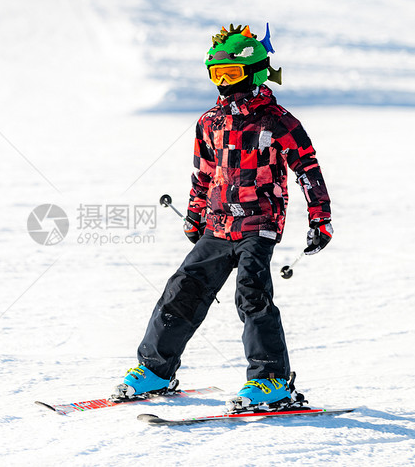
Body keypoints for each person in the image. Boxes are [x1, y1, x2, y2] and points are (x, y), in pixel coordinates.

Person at [113, 24, 333, 410]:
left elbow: (308, 169)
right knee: (183, 288)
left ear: (255, 72)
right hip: (217, 225)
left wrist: (320, 218)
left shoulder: (278, 121)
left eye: (230, 74)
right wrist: (194, 216)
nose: (223, 84)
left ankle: (272, 381)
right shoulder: (209, 122)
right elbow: (203, 174)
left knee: (251, 294)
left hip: (259, 223)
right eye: (216, 74)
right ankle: (155, 370)